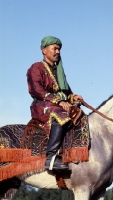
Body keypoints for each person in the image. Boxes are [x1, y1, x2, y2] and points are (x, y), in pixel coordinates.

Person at [27, 36, 83, 170]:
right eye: (55, 48)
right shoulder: (36, 68)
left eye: (59, 49)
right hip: (41, 104)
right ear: (44, 50)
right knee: (61, 114)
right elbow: (36, 90)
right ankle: (51, 157)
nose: (58, 52)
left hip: (57, 104)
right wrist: (58, 101)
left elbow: (67, 92)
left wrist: (73, 98)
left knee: (79, 114)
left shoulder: (59, 72)